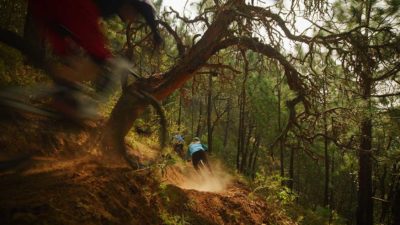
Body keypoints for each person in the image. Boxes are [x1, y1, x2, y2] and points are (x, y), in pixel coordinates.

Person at [28, 0, 162, 119]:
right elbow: (87, 22)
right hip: (68, 5)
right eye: (136, 13)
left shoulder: (109, 6)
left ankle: (64, 95)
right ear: (130, 4)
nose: (133, 18)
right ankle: (64, 99)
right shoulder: (110, 3)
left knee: (73, 56)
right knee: (95, 62)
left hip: (46, 7)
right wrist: (104, 58)